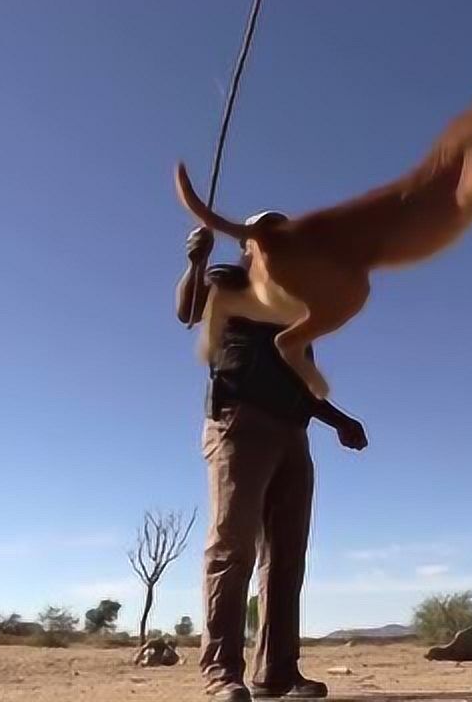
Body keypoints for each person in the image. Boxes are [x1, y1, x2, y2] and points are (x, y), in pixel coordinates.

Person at [176, 214, 368, 701]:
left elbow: (302, 382)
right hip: (239, 422)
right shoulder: (229, 278)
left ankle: (277, 672)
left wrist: (340, 420)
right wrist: (196, 261)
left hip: (292, 434)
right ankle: (221, 673)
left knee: (286, 558)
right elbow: (189, 310)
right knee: (231, 547)